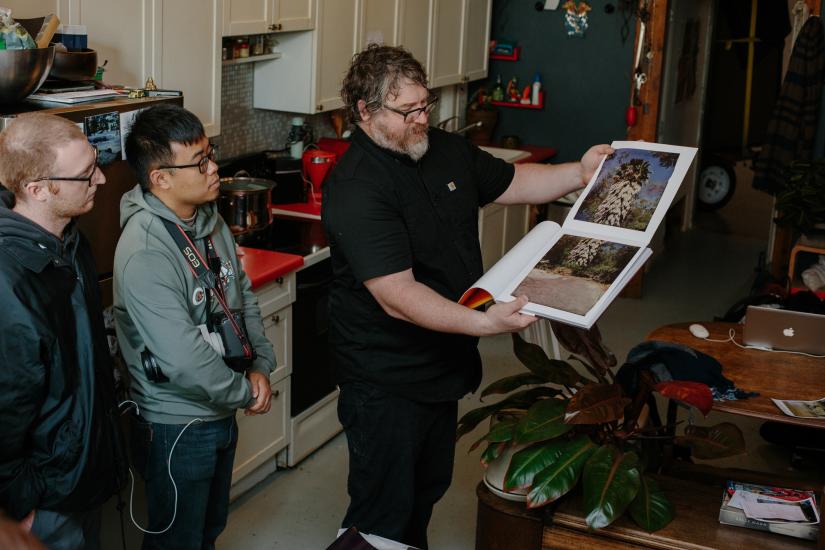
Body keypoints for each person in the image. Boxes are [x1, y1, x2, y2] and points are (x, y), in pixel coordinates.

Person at [322, 44, 612, 549]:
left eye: (425, 104)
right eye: (407, 110)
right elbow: (397, 295)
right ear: (365, 112)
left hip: (440, 364)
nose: (421, 118)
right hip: (385, 377)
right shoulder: (357, 185)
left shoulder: (441, 148)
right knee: (381, 512)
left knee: (425, 491)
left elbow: (511, 181)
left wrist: (579, 174)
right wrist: (484, 323)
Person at [114, 103, 275, 550]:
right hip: (177, 424)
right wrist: (244, 392)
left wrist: (260, 363)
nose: (213, 168)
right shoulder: (146, 250)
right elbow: (183, 357)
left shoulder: (210, 221)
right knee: (178, 542)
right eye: (199, 161)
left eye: (211, 153)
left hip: (220, 407)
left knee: (207, 532)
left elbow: (240, 298)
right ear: (160, 178)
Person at [0, 113, 126, 549]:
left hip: (82, 475)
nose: (103, 179)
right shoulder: (10, 280)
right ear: (37, 189)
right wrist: (21, 503)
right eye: (86, 173)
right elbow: (6, 406)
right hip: (47, 499)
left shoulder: (70, 241)